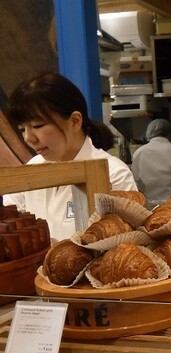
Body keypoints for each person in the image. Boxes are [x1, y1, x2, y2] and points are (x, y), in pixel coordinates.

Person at [4, 71, 138, 241]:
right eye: (22, 129)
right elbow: (11, 229)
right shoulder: (29, 172)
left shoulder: (113, 174)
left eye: (38, 126)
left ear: (75, 121)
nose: (28, 138)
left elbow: (123, 243)